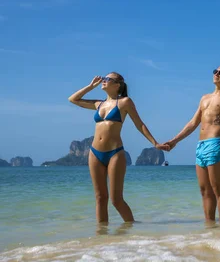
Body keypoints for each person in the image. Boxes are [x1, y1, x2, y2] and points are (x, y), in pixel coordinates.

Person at [68, 73, 170, 224]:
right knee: (100, 198)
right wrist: (90, 86)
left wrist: (155, 143)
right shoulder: (99, 104)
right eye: (104, 78)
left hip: (115, 153)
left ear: (117, 85)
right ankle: (102, 237)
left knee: (116, 200)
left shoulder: (125, 102)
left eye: (108, 79)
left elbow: (139, 124)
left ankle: (131, 229)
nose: (103, 80)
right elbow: (73, 99)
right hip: (94, 153)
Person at [166, 63, 220, 223]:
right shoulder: (204, 98)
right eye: (216, 71)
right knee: (205, 191)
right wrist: (174, 141)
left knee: (218, 189)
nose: (217, 74)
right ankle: (210, 228)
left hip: (216, 143)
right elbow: (193, 123)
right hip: (201, 146)